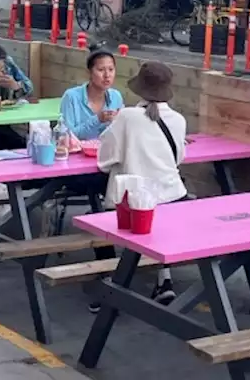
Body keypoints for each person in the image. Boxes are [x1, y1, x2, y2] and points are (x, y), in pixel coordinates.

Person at [97, 61, 187, 307]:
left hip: (137, 201)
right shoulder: (178, 120)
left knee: (98, 221)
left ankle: (110, 285)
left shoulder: (127, 116)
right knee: (157, 227)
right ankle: (163, 279)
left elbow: (106, 159)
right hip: (173, 195)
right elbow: (179, 158)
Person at [60, 49, 124, 140]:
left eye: (111, 69)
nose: (107, 75)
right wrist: (97, 120)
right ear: (89, 73)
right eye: (101, 70)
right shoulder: (71, 97)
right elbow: (67, 136)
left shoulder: (116, 97)